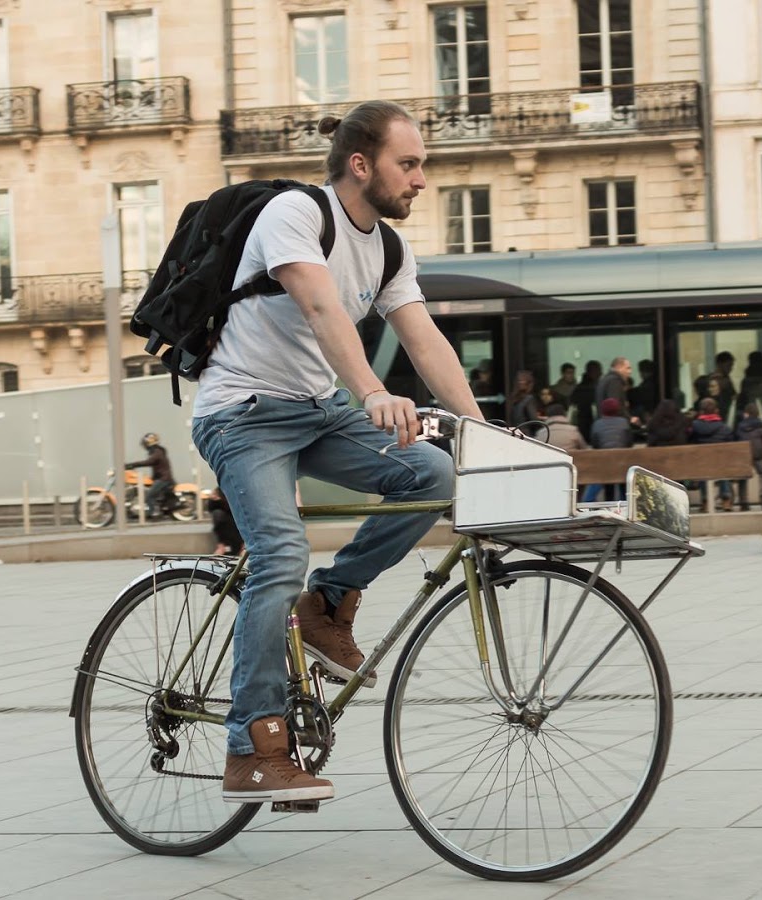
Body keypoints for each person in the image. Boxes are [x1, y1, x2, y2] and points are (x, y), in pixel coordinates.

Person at [189, 100, 482, 806]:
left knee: (431, 472)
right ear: (361, 164)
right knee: (279, 554)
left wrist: (481, 429)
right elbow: (320, 308)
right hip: (243, 412)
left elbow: (424, 339)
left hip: (318, 412)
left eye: (421, 166)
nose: (419, 179)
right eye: (407, 164)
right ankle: (251, 748)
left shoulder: (388, 248)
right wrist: (374, 391)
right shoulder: (293, 215)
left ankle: (330, 602)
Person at [688, 397, 737, 511]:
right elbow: (731, 444)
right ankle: (726, 499)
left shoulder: (695, 426)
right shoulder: (724, 428)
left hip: (702, 463)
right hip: (720, 463)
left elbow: (690, 441)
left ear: (701, 412)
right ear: (716, 411)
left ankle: (705, 501)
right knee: (722, 469)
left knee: (704, 472)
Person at [585, 397, 632, 502]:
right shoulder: (624, 423)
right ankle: (624, 504)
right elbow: (629, 443)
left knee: (606, 476)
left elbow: (595, 445)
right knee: (622, 479)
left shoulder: (597, 424)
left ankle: (608, 502)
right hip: (622, 464)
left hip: (604, 465)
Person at [124, 432, 176, 519]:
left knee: (149, 496)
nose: (145, 446)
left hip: (164, 479)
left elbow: (149, 462)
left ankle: (154, 513)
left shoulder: (157, 452)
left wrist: (131, 465)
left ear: (150, 443)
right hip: (161, 478)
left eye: (145, 444)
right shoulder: (157, 451)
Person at [735, 402, 762, 511]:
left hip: (744, 454)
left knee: (743, 477)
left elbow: (736, 439)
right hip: (758, 454)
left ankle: (744, 502)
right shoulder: (761, 424)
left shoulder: (740, 426)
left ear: (746, 414)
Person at [694, 351, 737, 420]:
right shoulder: (712, 380)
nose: (731, 368)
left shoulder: (727, 379)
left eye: (731, 366)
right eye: (728, 365)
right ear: (720, 364)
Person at [205, 488, 243, 555]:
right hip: (231, 542)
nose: (213, 496)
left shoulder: (220, 512)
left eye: (214, 494)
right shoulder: (219, 511)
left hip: (231, 542)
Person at [571, 360, 603, 440]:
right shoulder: (596, 388)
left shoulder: (578, 388)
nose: (600, 374)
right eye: (597, 371)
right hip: (590, 423)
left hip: (582, 425)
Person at [596, 357, 633, 423]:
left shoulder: (605, 379)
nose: (630, 372)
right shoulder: (614, 381)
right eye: (628, 368)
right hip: (614, 425)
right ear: (619, 367)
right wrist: (629, 419)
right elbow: (615, 406)